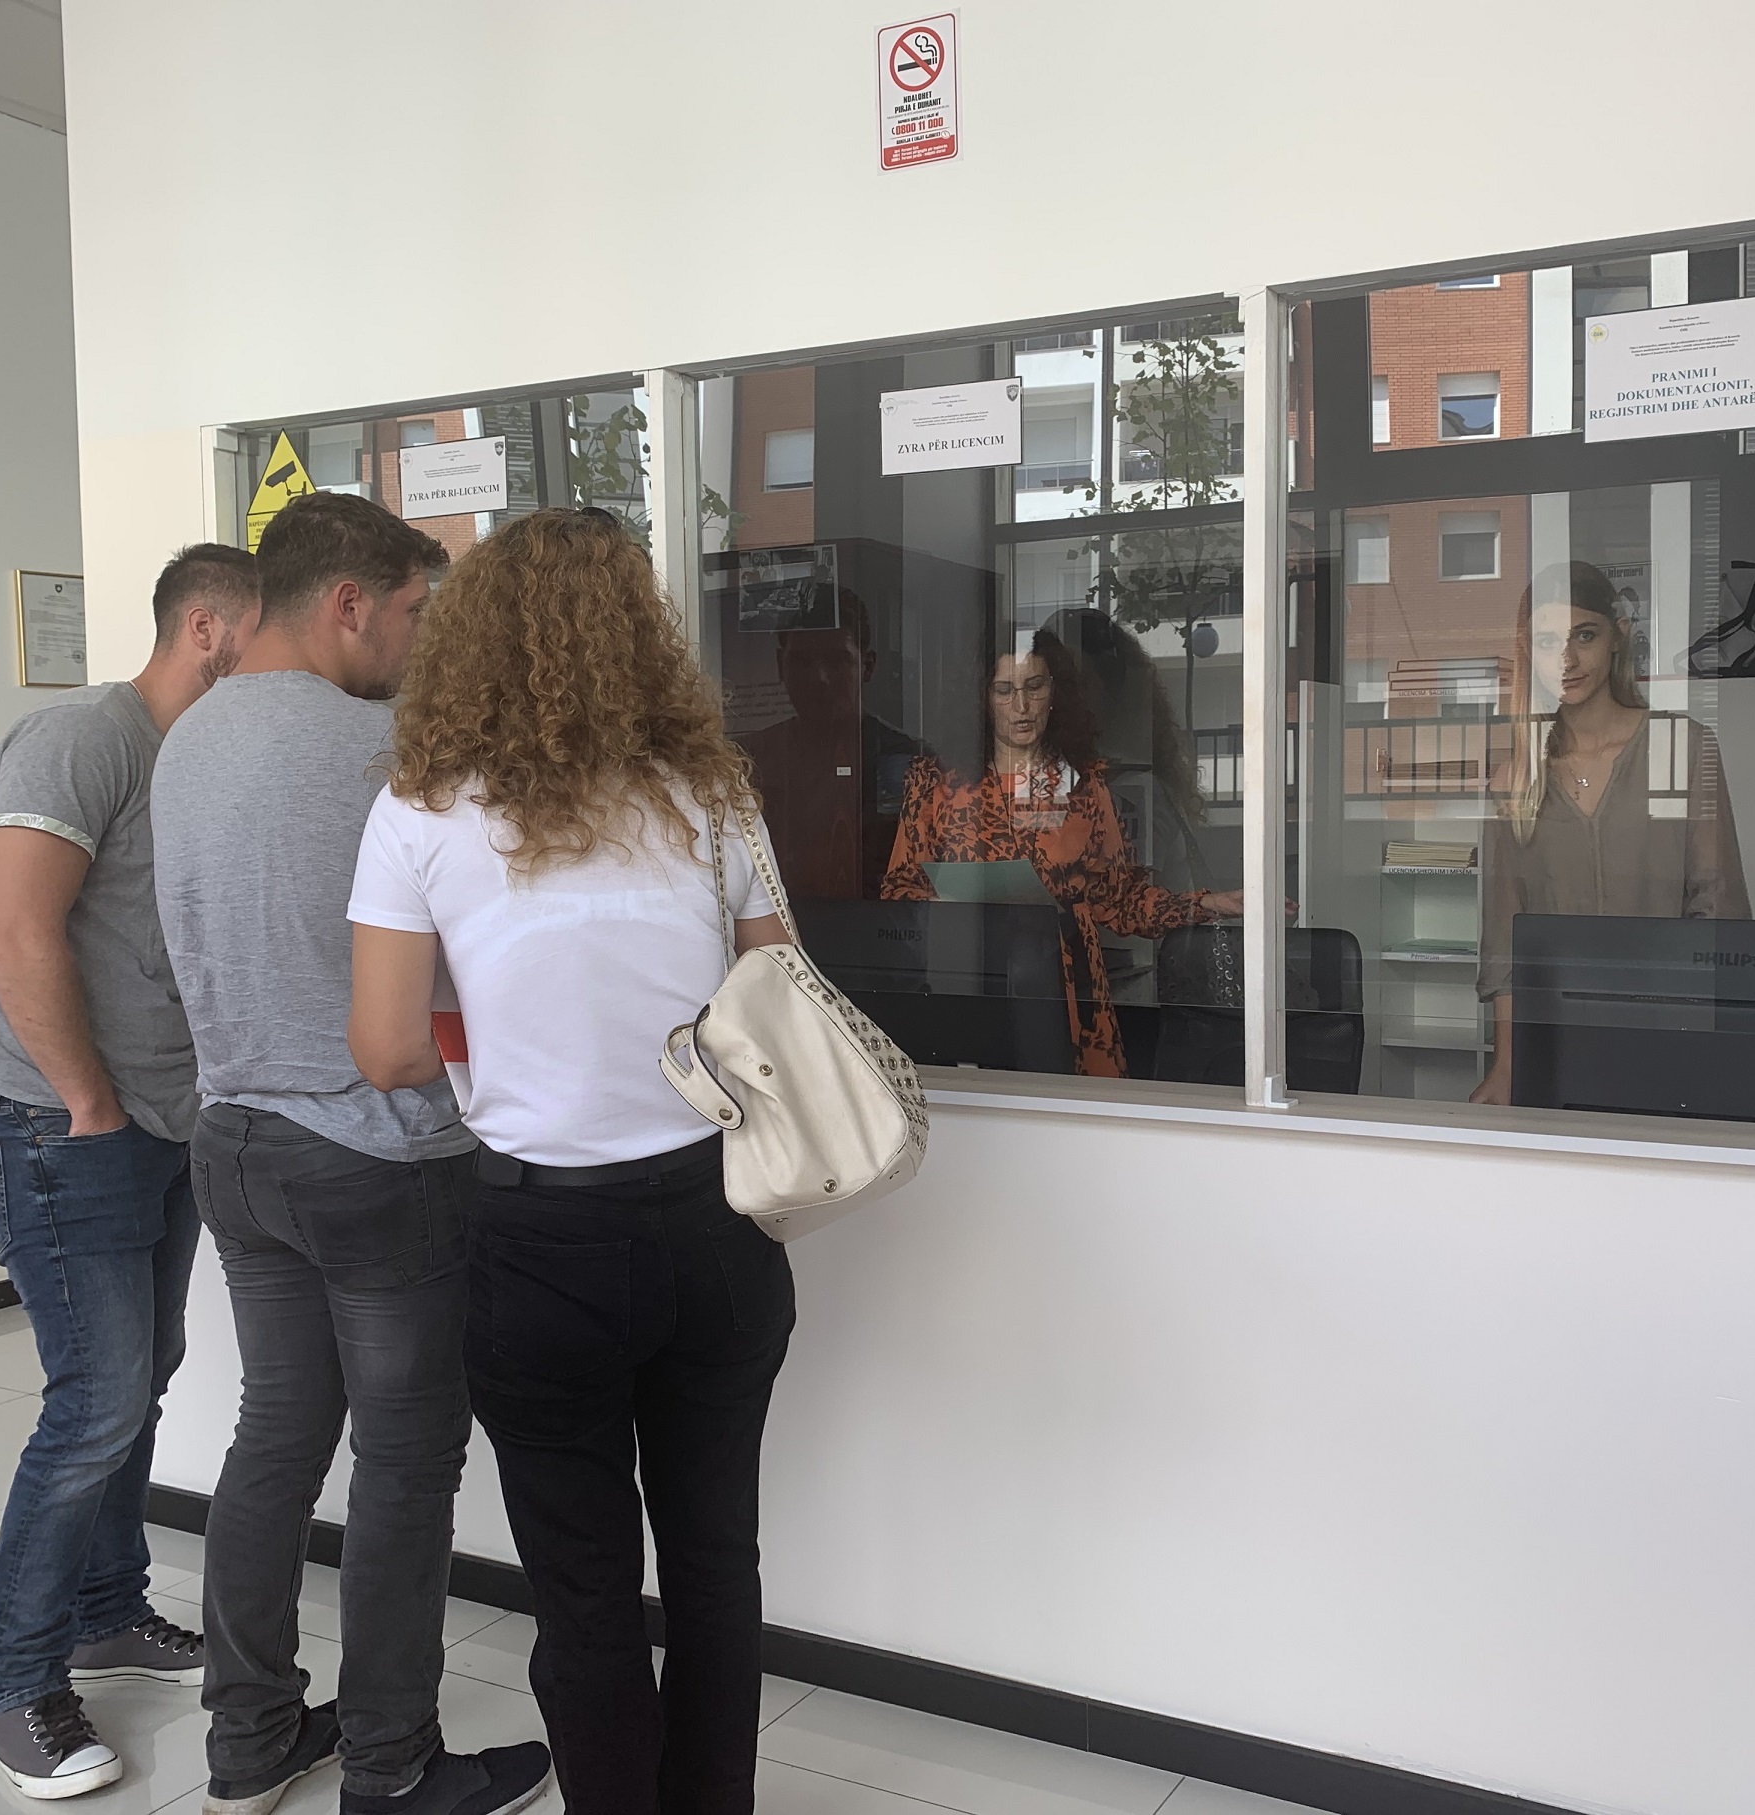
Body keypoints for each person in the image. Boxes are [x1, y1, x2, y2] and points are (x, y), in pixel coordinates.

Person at [342, 508, 796, 1815]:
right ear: (641, 632)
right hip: (716, 1221)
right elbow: (779, 1000)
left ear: (472, 638)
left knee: (584, 1589)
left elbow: (385, 1048)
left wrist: (501, 1051)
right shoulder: (711, 794)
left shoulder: (419, 809)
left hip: (537, 1241)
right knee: (714, 1565)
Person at [151, 493, 549, 1815]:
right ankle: (391, 1765)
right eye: (416, 613)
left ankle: (250, 1738)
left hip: (236, 1141)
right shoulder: (388, 748)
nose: (421, 642)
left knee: (274, 1435)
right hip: (374, 1154)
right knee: (404, 1461)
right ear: (347, 602)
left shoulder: (189, 735)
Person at [0, 546, 257, 1799]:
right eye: (267, 638)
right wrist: (88, 1104)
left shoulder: (190, 764)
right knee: (97, 1400)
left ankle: (106, 1612)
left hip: (152, 1124)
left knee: (140, 1380)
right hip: (50, 1122)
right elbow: (14, 931)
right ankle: (18, 1692)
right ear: (207, 629)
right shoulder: (81, 739)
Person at [883, 626, 1243, 1076]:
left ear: (1056, 693)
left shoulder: (1083, 786)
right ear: (981, 699)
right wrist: (945, 907)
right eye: (1004, 690)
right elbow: (901, 888)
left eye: (1034, 687)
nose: (1021, 706)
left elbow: (1119, 901)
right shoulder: (935, 782)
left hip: (1065, 992)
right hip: (966, 982)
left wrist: (1209, 904)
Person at [1470, 560, 1750, 1107]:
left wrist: (1701, 1037)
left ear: (1618, 636)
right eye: (1548, 642)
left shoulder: (1681, 748)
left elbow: (1718, 908)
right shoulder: (1516, 778)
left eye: (1584, 635)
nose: (1566, 660)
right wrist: (1506, 1066)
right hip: (1555, 1046)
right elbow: (1505, 939)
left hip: (1672, 1041)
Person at [736, 587, 921, 900]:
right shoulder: (747, 762)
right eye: (802, 661)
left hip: (883, 925)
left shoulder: (912, 763)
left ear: (867, 666)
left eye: (837, 660)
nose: (819, 677)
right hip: (773, 926)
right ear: (781, 665)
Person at [1043, 605, 1218, 895]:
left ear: (1113, 692)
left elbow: (1121, 904)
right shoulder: (1070, 781)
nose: (1058, 699)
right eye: (1046, 684)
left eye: (1075, 683)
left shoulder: (1133, 791)